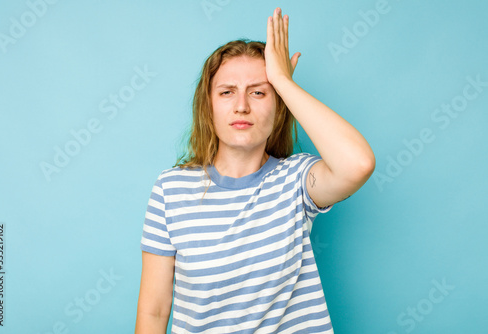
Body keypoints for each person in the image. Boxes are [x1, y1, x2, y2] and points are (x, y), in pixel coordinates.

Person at [135, 7, 375, 333]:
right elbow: (154, 311)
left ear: (278, 109)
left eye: (258, 92)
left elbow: (357, 164)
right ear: (208, 106)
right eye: (227, 92)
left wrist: (282, 82)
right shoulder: (170, 189)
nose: (242, 106)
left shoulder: (297, 181)